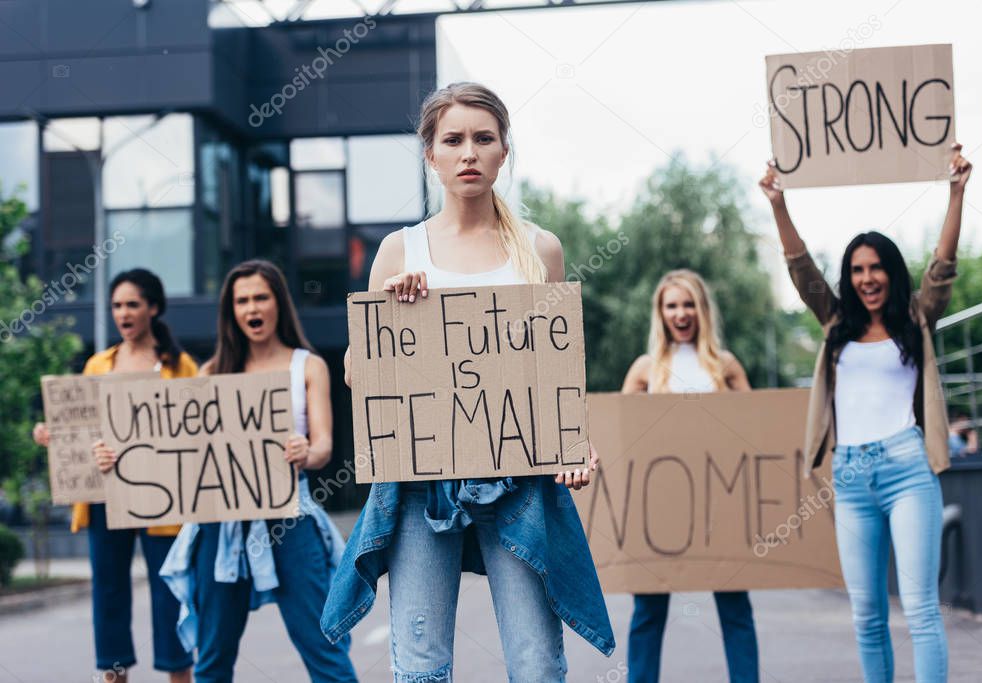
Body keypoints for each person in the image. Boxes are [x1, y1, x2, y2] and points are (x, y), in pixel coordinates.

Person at [319, 82, 613, 682]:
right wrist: (392, 311)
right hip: (421, 482)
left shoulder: (539, 249)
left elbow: (554, 371)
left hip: (520, 479)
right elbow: (357, 373)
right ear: (431, 154)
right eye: (453, 140)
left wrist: (574, 443)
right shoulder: (400, 251)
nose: (469, 152)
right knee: (421, 665)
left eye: (484, 138)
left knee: (537, 662)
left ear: (505, 150)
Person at [760, 143, 972, 683]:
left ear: (891, 272)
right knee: (867, 615)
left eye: (877, 268)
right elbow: (799, 268)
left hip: (907, 468)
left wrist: (956, 192)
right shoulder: (835, 324)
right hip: (851, 476)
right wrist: (778, 204)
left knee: (921, 611)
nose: (867, 278)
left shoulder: (915, 318)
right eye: (857, 269)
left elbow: (943, 268)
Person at [110, 260, 356, 683]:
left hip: (289, 519)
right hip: (220, 524)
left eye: (261, 297)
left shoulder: (307, 365)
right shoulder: (211, 373)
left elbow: (324, 447)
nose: (251, 308)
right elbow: (176, 454)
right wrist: (114, 457)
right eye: (242, 300)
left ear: (278, 302)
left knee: (324, 651)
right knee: (212, 659)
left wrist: (306, 450)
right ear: (231, 310)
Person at [33, 269, 195, 683]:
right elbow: (81, 430)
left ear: (153, 308)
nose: (123, 313)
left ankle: (180, 674)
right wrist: (54, 436)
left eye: (132, 305)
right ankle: (113, 674)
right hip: (106, 494)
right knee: (108, 593)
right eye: (117, 305)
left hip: (163, 497)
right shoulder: (98, 364)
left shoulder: (180, 367)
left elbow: (196, 432)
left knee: (170, 592)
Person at [622, 270, 760, 682]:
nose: (680, 314)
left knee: (735, 606)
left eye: (688, 305)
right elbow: (623, 436)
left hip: (722, 505)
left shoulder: (726, 366)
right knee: (648, 610)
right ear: (660, 313)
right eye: (671, 305)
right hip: (660, 509)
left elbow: (756, 432)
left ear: (701, 310)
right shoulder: (645, 370)